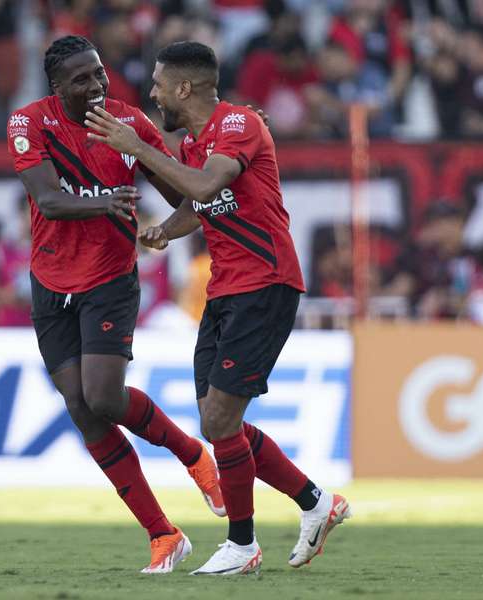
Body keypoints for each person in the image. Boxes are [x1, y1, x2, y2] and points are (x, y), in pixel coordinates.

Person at [85, 40, 351, 576]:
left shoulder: (237, 126)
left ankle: (242, 544)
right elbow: (199, 202)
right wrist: (165, 229)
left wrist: (138, 148)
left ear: (184, 87)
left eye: (159, 83)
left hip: (265, 281)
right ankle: (316, 501)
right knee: (217, 421)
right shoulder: (192, 144)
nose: (153, 92)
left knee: (221, 417)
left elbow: (209, 183)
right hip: (226, 289)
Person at [7, 35, 226, 574]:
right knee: (82, 410)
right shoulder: (28, 124)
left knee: (102, 396)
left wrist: (172, 216)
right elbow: (49, 200)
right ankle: (163, 535)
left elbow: (189, 195)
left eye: (99, 74)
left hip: (108, 279)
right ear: (57, 88)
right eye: (81, 79)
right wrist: (108, 201)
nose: (95, 86)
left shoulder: (128, 125)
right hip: (50, 283)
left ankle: (193, 455)